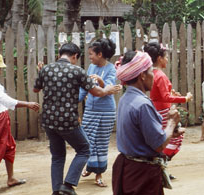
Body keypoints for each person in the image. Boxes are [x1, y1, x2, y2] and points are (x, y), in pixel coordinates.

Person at [33, 42, 121, 195]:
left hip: (48, 121)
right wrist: (108, 89)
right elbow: (98, 93)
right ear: (74, 56)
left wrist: (43, 74)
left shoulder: (46, 69)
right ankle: (68, 185)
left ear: (60, 54)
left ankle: (56, 190)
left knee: (58, 156)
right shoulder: (77, 71)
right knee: (84, 149)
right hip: (68, 120)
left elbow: (36, 89)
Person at [112, 50, 184, 195]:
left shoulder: (126, 99)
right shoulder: (143, 104)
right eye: (151, 70)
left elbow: (141, 136)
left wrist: (169, 134)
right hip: (142, 173)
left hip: (128, 168)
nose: (154, 75)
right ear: (142, 76)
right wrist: (171, 123)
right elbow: (158, 144)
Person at [0, 53, 40, 188]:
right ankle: (10, 177)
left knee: (8, 146)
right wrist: (27, 104)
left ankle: (11, 178)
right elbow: (5, 100)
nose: (1, 70)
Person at [143, 42, 192, 162]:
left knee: (165, 138)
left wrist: (172, 94)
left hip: (157, 110)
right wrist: (185, 98)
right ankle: (161, 163)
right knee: (174, 139)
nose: (167, 60)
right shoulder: (160, 75)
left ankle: (160, 164)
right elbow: (165, 97)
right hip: (164, 112)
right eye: (166, 57)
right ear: (159, 58)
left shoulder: (152, 74)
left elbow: (159, 95)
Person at [79, 38, 117, 187]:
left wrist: (101, 81)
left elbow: (109, 88)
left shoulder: (111, 69)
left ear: (100, 54)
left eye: (91, 54)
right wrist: (73, 99)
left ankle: (99, 174)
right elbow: (84, 88)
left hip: (106, 112)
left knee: (101, 143)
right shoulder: (90, 68)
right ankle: (89, 166)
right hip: (90, 110)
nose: (89, 57)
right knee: (87, 140)